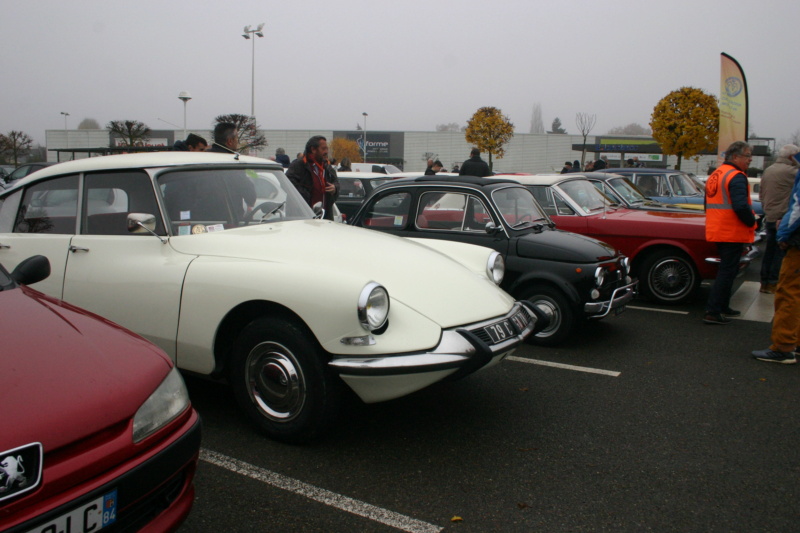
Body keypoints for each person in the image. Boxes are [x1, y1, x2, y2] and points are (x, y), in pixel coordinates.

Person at [703, 140, 757, 325]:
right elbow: (741, 206)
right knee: (727, 272)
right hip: (731, 231)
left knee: (728, 270)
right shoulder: (736, 176)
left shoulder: (716, 175)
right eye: (747, 156)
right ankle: (714, 310)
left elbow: (707, 205)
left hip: (718, 228)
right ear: (735, 157)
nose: (750, 160)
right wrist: (752, 221)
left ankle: (722, 306)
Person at [752, 160, 800, 364]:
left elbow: (797, 207)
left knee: (789, 291)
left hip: (797, 241)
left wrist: (784, 234)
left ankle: (784, 346)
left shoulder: (772, 171)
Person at [758, 144, 799, 293]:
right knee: (780, 253)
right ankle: (774, 282)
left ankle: (764, 282)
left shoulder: (769, 170)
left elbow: (762, 193)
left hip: (770, 215)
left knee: (769, 251)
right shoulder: (793, 172)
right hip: (783, 217)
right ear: (791, 157)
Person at [286, 135, 340, 220]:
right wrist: (307, 194)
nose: (326, 151)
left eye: (327, 148)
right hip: (302, 219)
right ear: (313, 149)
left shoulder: (327, 167)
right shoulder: (298, 166)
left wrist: (335, 188)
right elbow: (288, 186)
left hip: (324, 218)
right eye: (323, 149)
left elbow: (336, 183)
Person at [209, 122, 256, 217]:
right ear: (230, 141)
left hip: (200, 220)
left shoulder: (201, 158)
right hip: (228, 219)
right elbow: (251, 197)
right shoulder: (232, 163)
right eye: (237, 139)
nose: (237, 142)